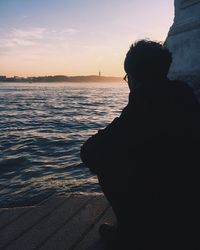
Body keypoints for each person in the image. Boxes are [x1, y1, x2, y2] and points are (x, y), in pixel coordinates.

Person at [80, 40, 200, 249]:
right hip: (190, 201)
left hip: (163, 198)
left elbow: (89, 151)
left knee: (103, 158)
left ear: (133, 79)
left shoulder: (143, 103)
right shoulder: (185, 95)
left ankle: (130, 231)